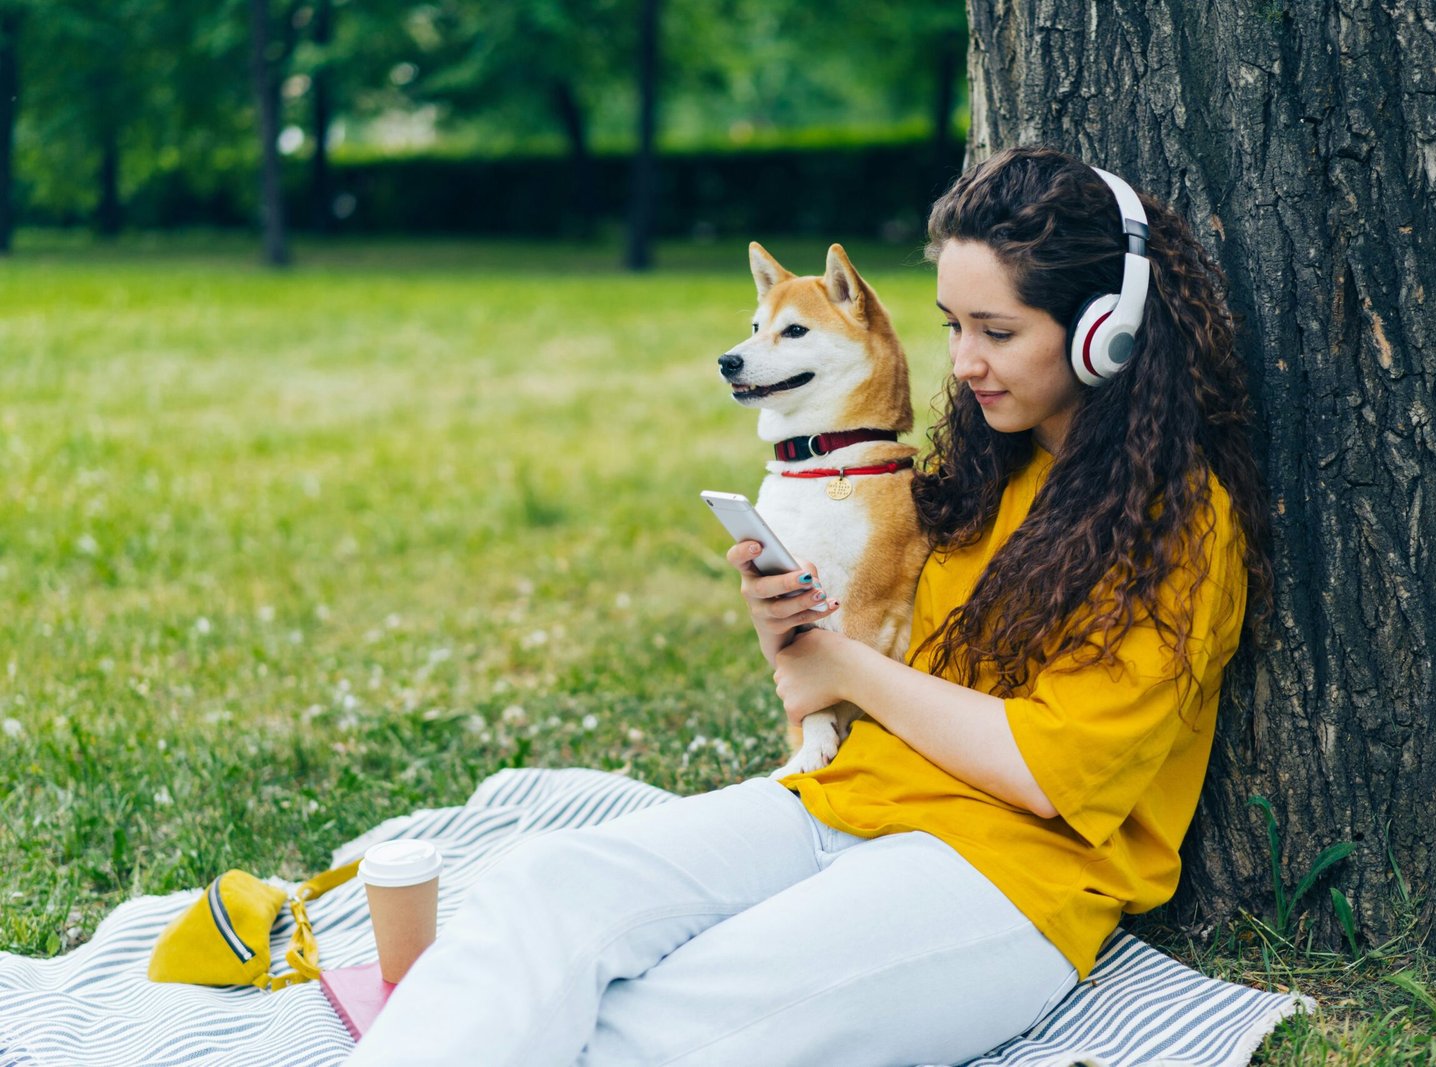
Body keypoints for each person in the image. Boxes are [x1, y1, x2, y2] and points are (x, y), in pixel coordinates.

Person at [344, 144, 1272, 1067]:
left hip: (1007, 875)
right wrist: (793, 630)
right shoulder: (985, 470)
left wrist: (843, 665)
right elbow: (869, 669)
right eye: (952, 325)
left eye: (996, 331)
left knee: (666, 1024)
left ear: (1104, 330)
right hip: (846, 797)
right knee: (541, 892)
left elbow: (1052, 772)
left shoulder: (1177, 526)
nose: (965, 362)